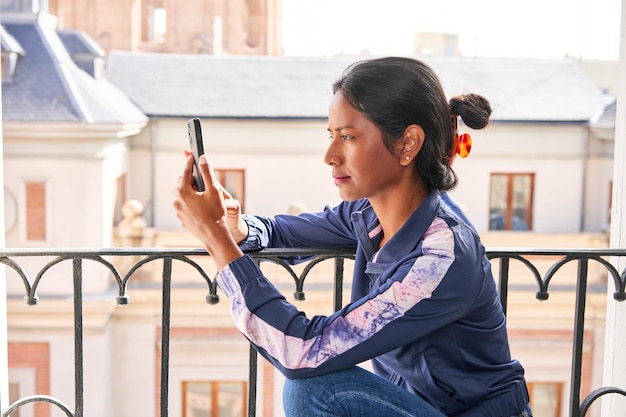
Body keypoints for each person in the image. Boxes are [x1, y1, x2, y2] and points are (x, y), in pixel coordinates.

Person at [173, 56, 532, 417]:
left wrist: (216, 237)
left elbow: (300, 351)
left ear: (408, 144)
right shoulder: (368, 214)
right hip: (419, 407)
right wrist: (236, 227)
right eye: (331, 136)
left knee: (315, 391)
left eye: (347, 137)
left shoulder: (441, 255)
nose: (330, 155)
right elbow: (283, 231)